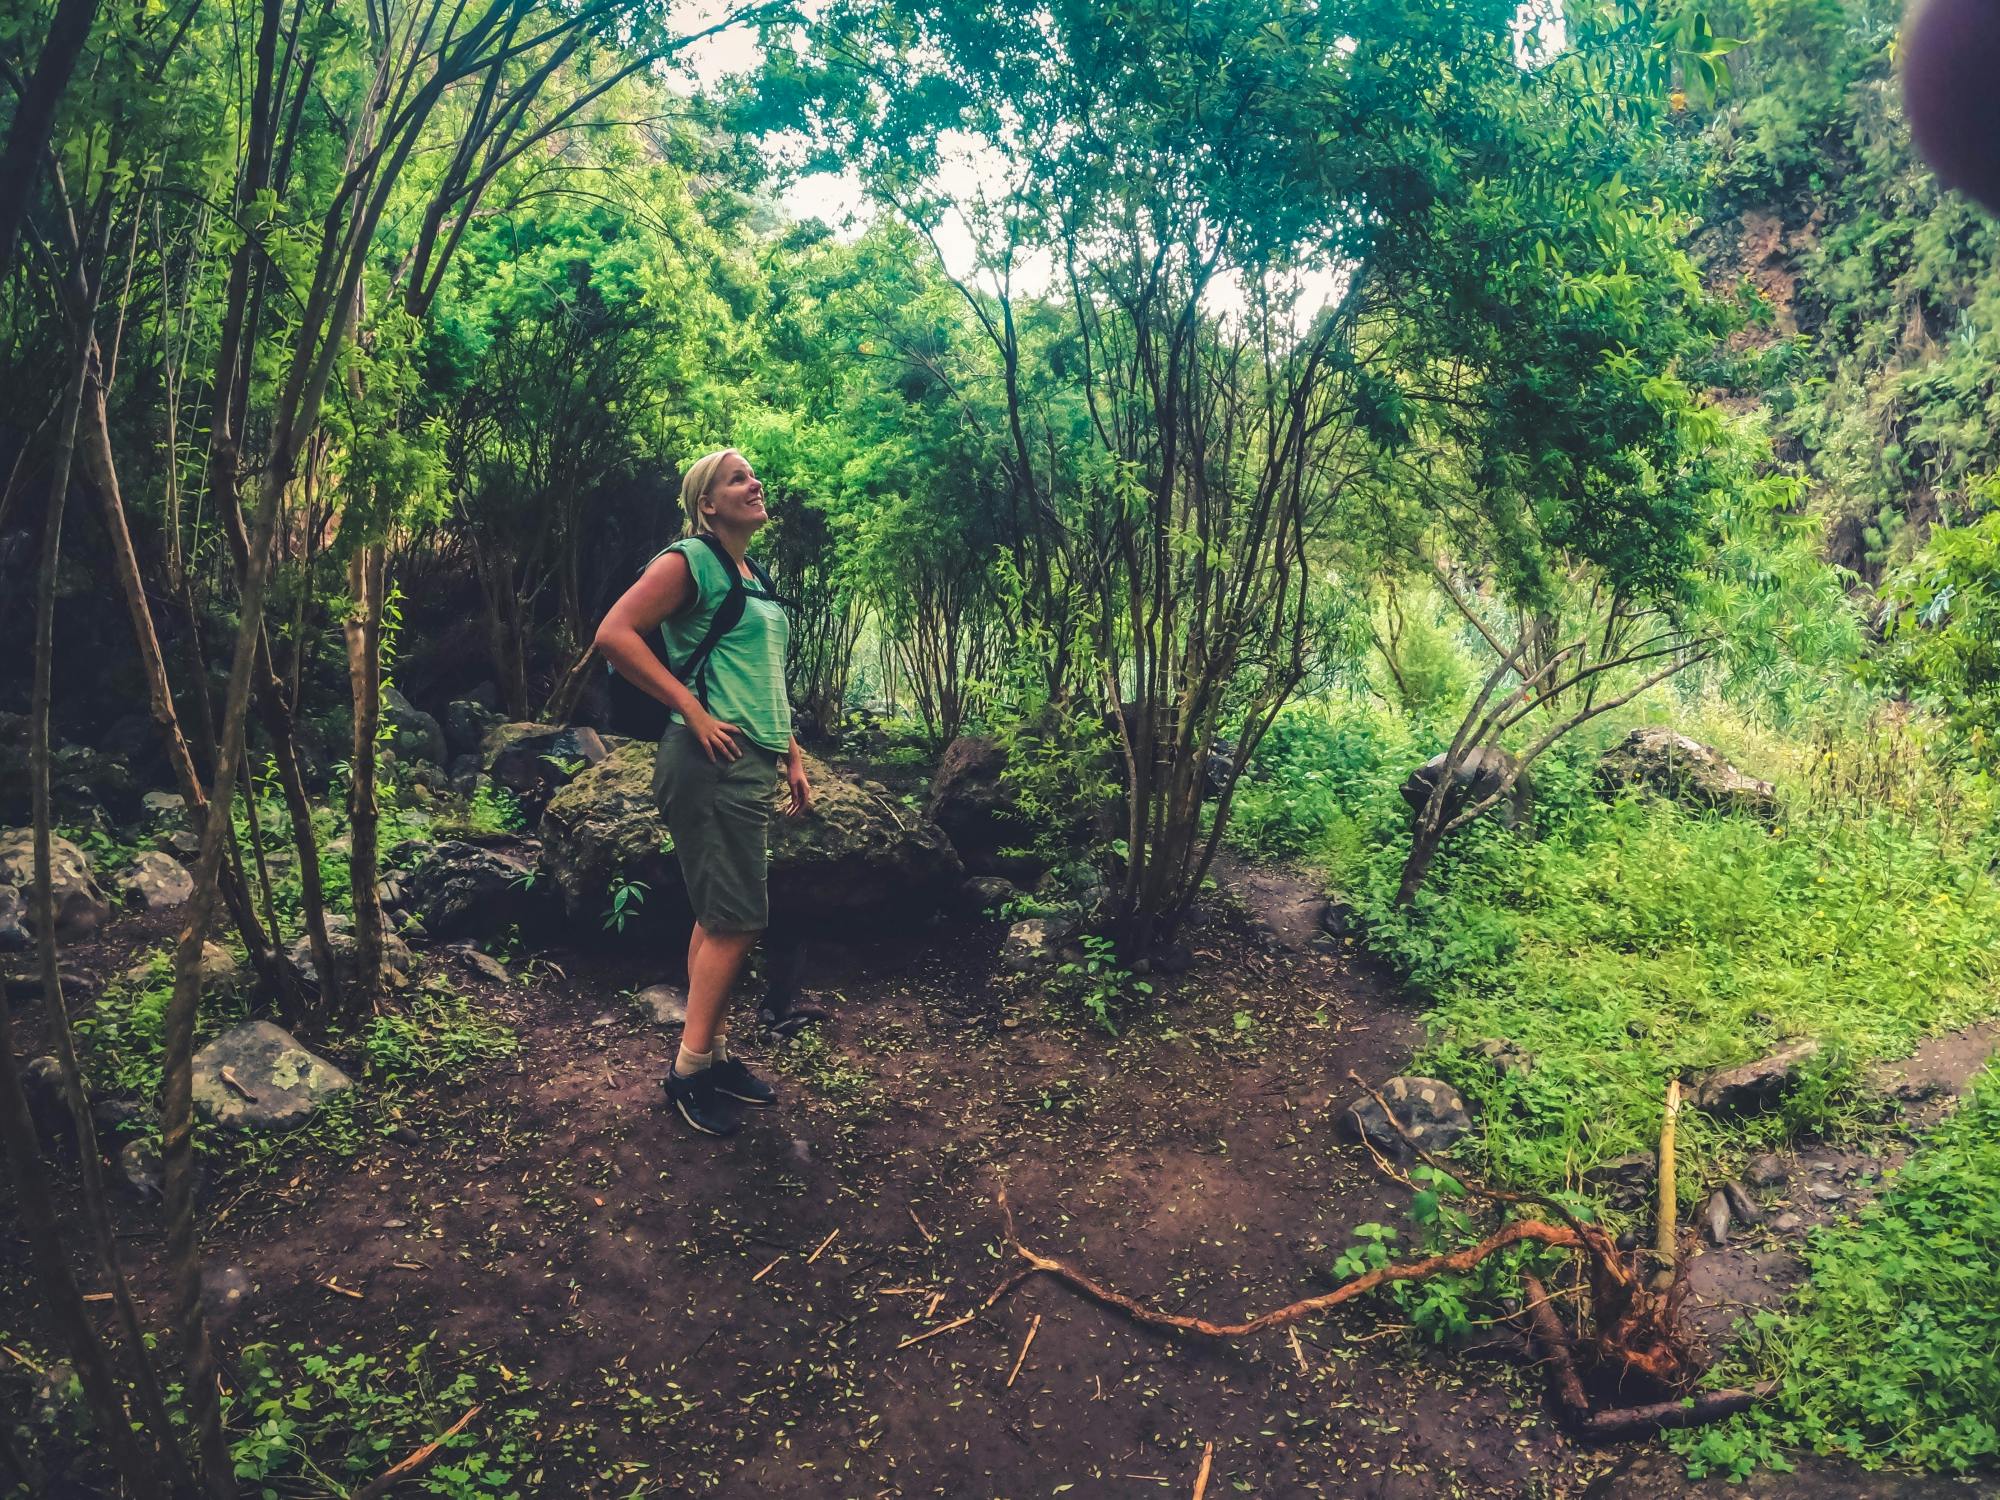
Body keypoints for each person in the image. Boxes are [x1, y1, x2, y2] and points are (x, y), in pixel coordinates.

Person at [594, 448, 813, 1136]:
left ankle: (712, 1054)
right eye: (737, 478)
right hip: (708, 760)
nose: (755, 483)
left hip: (750, 759)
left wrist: (792, 756)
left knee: (718, 914)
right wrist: (691, 709)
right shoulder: (689, 559)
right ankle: (689, 1072)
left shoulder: (751, 573)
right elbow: (614, 635)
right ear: (707, 504)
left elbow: (762, 675)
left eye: (755, 473)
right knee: (739, 920)